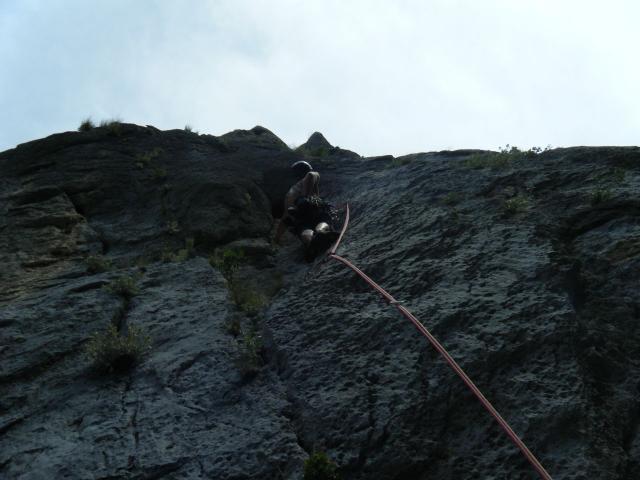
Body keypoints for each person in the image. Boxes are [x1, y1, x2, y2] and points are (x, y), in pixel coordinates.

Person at [274, 160, 320, 244]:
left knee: (303, 228)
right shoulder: (307, 179)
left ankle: (311, 241)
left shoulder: (295, 187)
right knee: (307, 227)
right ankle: (315, 240)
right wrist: (306, 196)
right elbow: (311, 175)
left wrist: (277, 238)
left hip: (296, 212)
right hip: (300, 209)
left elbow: (285, 217)